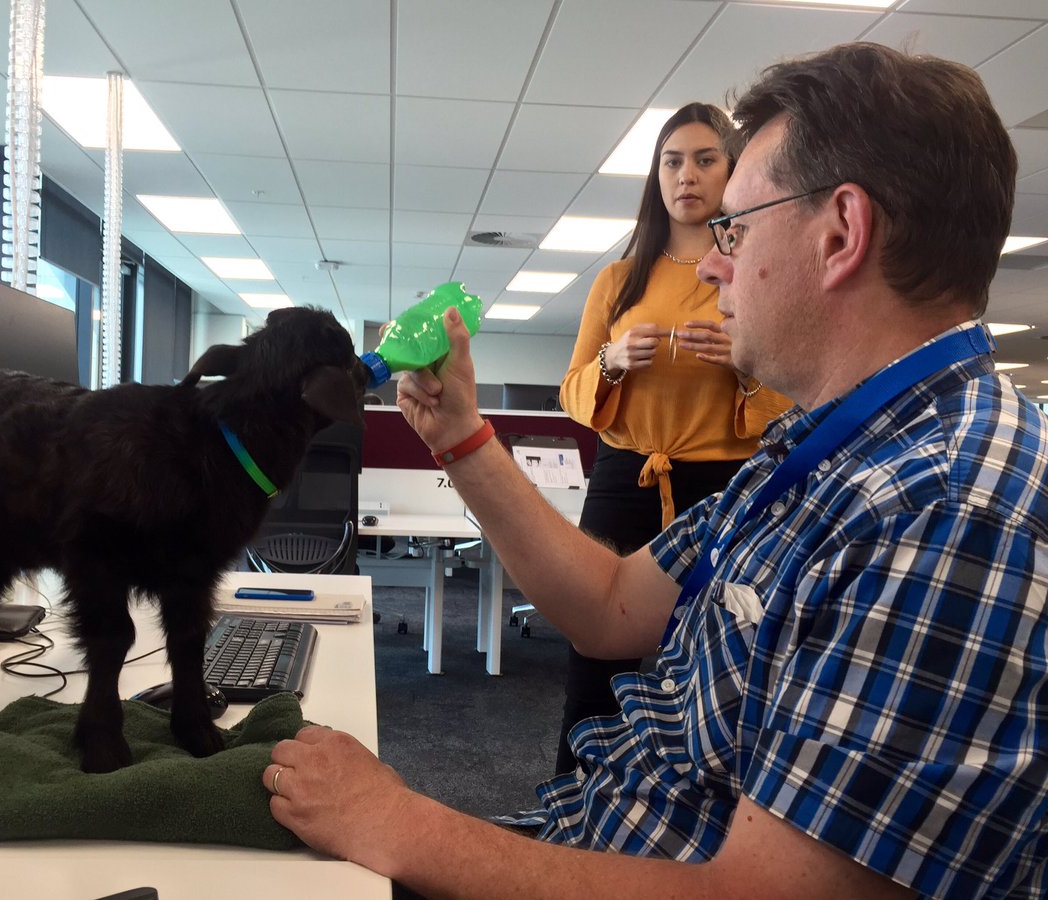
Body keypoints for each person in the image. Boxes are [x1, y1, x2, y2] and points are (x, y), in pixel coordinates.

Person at [263, 42, 1045, 898]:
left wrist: (399, 822)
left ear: (841, 233)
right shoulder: (821, 454)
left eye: (735, 227)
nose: (711, 263)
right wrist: (460, 439)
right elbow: (609, 609)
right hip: (591, 831)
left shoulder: (948, 508)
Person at [556, 102, 790, 775]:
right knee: (596, 656)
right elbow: (574, 395)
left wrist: (745, 370)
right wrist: (611, 363)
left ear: (733, 170)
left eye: (705, 159)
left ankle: (701, 807)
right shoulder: (617, 280)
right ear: (655, 176)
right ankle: (576, 798)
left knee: (720, 658)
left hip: (724, 484)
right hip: (626, 477)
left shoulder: (756, 278)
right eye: (672, 161)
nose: (687, 175)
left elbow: (791, 402)